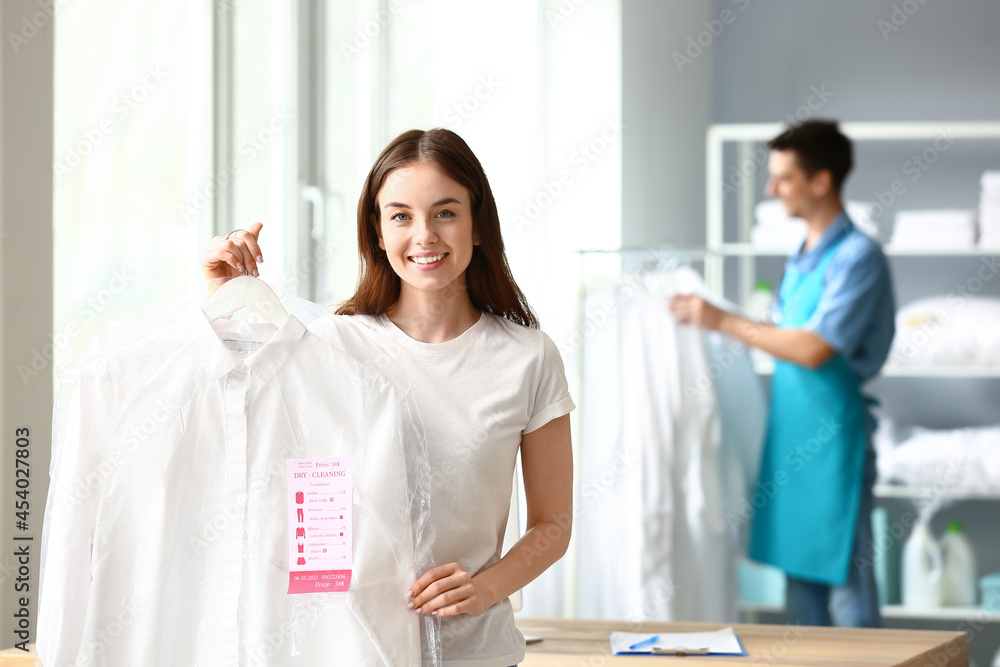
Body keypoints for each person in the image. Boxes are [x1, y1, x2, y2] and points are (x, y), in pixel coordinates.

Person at [202, 128, 575, 666]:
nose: (424, 235)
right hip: (348, 650)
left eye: (445, 212)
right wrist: (222, 297)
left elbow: (553, 526)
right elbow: (232, 428)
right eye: (400, 216)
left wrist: (487, 588)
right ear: (377, 232)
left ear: (477, 225)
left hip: (475, 654)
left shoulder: (529, 357)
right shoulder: (329, 344)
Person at [670, 120, 894, 628]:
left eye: (784, 178)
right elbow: (782, 333)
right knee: (801, 594)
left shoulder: (859, 258)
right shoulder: (803, 257)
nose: (772, 190)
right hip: (793, 432)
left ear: (822, 180)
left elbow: (814, 348)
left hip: (833, 439)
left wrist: (720, 319)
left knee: (847, 591)